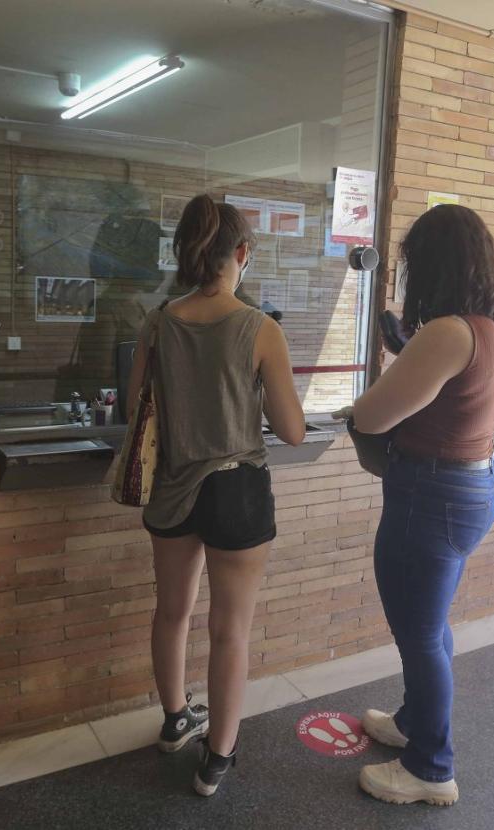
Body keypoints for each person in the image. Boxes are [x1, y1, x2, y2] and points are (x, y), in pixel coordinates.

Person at [125, 193, 305, 797]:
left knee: (171, 612)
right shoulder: (260, 328)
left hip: (172, 487)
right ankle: (217, 758)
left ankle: (175, 720)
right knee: (230, 630)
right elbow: (291, 429)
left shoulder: (156, 323)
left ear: (182, 254)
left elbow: (135, 411)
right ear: (242, 254)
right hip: (236, 490)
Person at [349, 204, 494, 807]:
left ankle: (431, 767)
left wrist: (396, 363)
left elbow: (373, 415)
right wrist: (407, 350)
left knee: (419, 634)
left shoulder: (448, 331)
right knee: (431, 624)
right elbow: (449, 395)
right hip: (474, 483)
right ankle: (413, 725)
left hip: (433, 493)